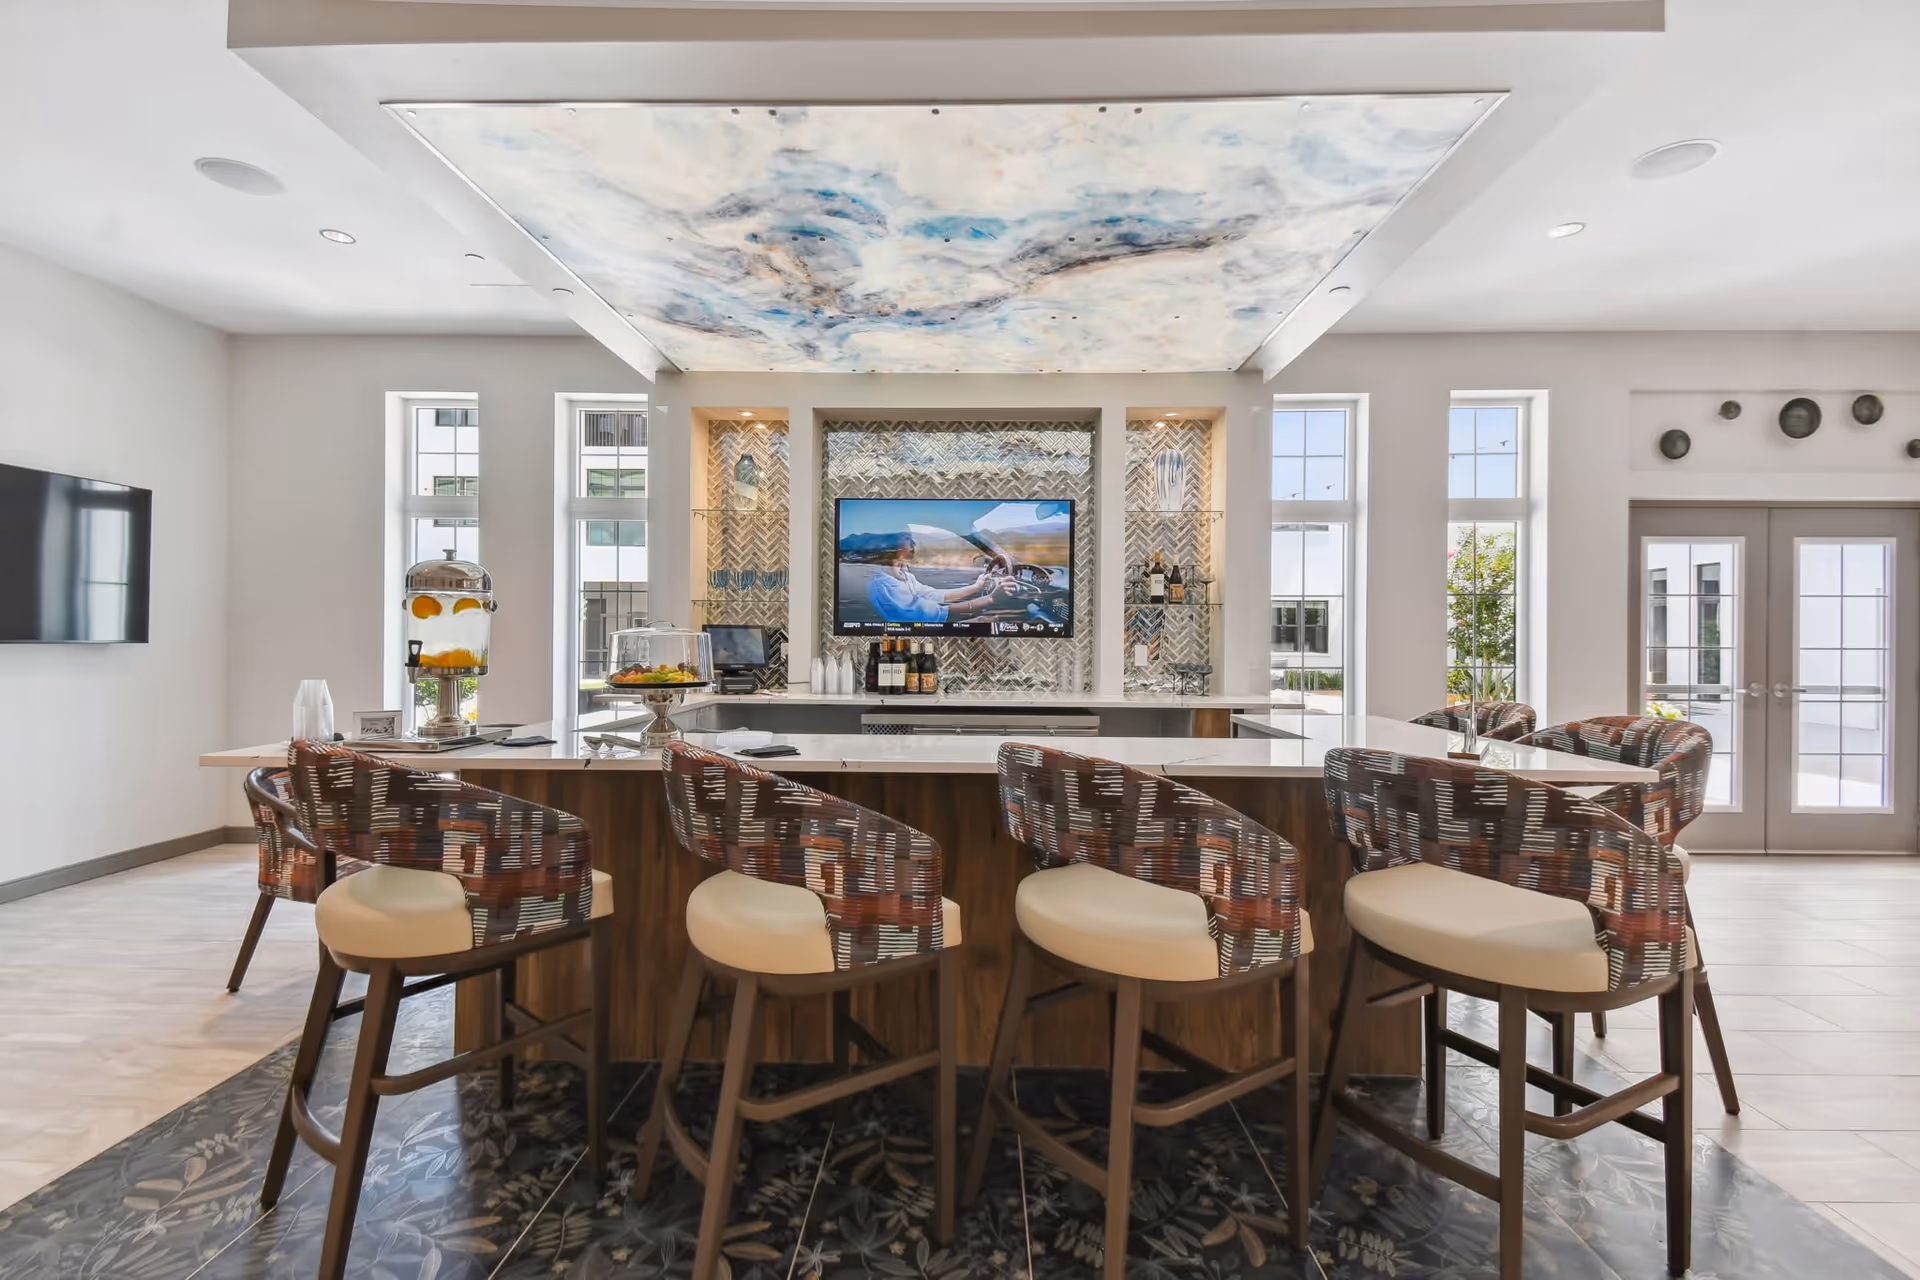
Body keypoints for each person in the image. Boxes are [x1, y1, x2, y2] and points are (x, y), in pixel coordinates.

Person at [867, 534, 1004, 624]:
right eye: (909, 544)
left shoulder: (906, 576)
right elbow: (930, 612)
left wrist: (977, 587)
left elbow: (933, 595)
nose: (913, 548)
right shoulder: (884, 584)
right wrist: (988, 600)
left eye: (913, 544)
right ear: (893, 549)